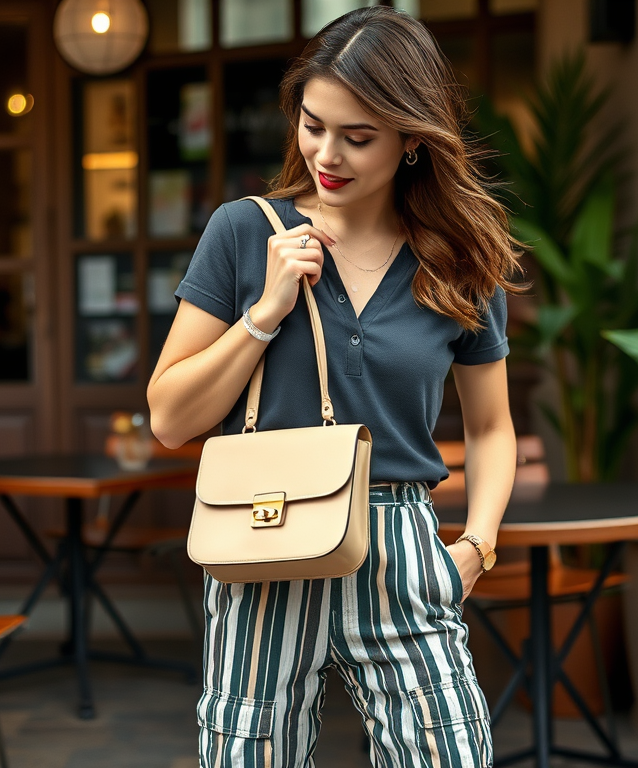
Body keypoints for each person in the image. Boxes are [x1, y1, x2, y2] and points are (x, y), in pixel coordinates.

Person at [147, 7, 521, 767]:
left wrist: (475, 547)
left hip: (401, 547)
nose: (327, 154)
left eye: (359, 136)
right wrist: (263, 313)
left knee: (450, 753)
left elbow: (489, 428)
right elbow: (169, 416)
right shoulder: (245, 233)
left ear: (413, 139)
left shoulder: (459, 259)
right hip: (265, 536)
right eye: (314, 125)